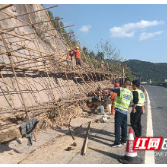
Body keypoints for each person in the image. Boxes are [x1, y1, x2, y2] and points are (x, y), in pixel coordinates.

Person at [110, 78, 133, 147]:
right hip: (125, 111)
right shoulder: (130, 93)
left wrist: (107, 88)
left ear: (125, 83)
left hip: (119, 110)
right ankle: (124, 140)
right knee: (124, 126)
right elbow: (131, 104)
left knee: (117, 126)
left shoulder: (121, 90)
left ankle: (117, 142)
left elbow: (113, 90)